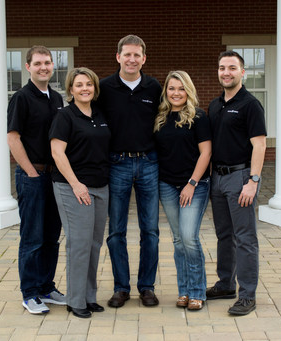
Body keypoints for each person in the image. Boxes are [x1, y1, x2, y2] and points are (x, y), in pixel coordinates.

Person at [97, 35, 162, 308]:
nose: (132, 59)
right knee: (116, 231)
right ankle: (121, 288)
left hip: (148, 163)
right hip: (117, 164)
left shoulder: (154, 87)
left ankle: (146, 287)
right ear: (118, 57)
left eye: (137, 55)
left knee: (150, 230)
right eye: (127, 55)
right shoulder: (104, 88)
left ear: (144, 58)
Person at [206, 50, 267, 316]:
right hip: (217, 178)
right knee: (224, 236)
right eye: (222, 68)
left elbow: (260, 144)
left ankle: (247, 295)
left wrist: (253, 181)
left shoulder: (250, 104)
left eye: (232, 68)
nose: (226, 72)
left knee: (245, 238)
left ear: (243, 72)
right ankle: (225, 284)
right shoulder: (215, 104)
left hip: (241, 178)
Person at [7, 45, 66, 314]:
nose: (44, 67)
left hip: (54, 177)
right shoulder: (22, 98)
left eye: (48, 62)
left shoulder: (55, 98)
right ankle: (29, 293)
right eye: (38, 63)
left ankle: (45, 287)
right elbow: (13, 138)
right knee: (32, 237)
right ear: (28, 67)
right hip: (32, 176)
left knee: (51, 236)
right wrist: (31, 171)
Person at [50, 67, 111, 318]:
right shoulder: (65, 116)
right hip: (72, 187)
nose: (85, 88)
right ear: (71, 89)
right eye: (79, 85)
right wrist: (75, 184)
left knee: (94, 244)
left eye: (89, 84)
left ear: (95, 88)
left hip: (100, 186)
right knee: (79, 244)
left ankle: (89, 296)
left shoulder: (99, 114)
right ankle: (75, 301)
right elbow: (57, 152)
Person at [154, 71, 211, 310]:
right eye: (171, 88)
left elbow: (206, 153)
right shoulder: (159, 118)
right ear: (166, 91)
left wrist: (191, 183)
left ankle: (198, 291)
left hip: (194, 186)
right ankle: (184, 290)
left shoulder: (198, 117)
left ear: (188, 90)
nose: (175, 93)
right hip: (167, 185)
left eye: (180, 88)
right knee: (178, 240)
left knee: (189, 238)